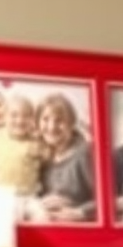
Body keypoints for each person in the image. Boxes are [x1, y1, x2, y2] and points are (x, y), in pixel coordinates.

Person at [35, 93, 96, 222]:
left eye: (59, 120)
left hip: (80, 232)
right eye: (45, 119)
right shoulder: (40, 155)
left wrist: (80, 211)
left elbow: (109, 200)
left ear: (71, 123)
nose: (51, 127)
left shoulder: (85, 152)